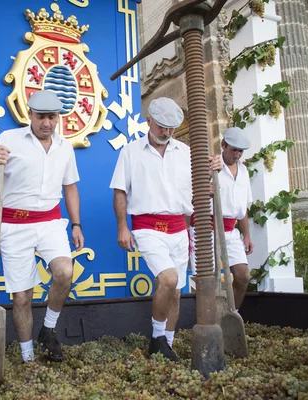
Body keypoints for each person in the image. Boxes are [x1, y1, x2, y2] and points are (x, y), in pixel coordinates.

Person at [0, 90, 84, 363]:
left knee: (64, 271)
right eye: (41, 116)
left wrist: (77, 224)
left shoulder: (64, 147)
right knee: (22, 297)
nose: (46, 122)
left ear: (58, 118)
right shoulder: (9, 140)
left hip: (49, 222)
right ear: (29, 115)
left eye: (52, 117)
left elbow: (70, 187)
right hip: (14, 224)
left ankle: (48, 329)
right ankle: (28, 356)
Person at [110, 97, 220, 361]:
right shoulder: (130, 151)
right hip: (147, 227)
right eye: (162, 127)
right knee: (168, 279)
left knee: (177, 291)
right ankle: (157, 337)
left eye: (171, 128)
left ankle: (165, 346)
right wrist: (122, 227)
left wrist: (212, 172)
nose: (167, 133)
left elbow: (202, 189)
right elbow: (120, 191)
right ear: (148, 122)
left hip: (178, 229)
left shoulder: (186, 152)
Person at [189, 127, 253, 309]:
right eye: (234, 149)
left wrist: (246, 235)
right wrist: (204, 187)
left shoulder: (244, 171)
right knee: (205, 280)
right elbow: (191, 199)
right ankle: (205, 319)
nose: (238, 154)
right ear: (223, 145)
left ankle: (232, 315)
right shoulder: (209, 167)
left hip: (231, 231)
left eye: (241, 151)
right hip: (206, 226)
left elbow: (243, 208)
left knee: (242, 276)